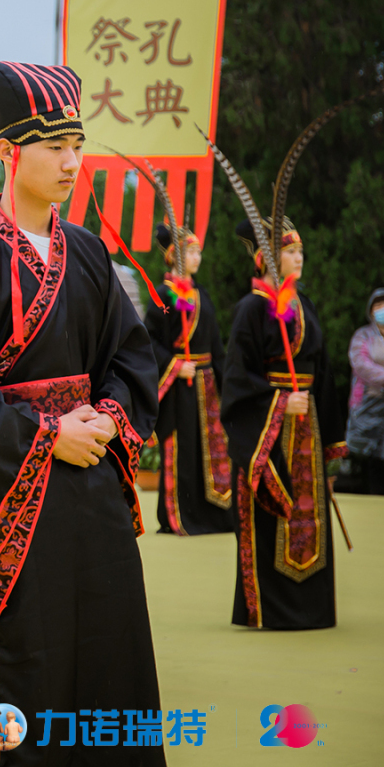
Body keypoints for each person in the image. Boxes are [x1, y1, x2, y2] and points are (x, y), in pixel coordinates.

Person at [0, 61, 166, 767]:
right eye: (52, 144)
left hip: (93, 499)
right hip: (18, 516)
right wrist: (46, 433)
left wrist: (106, 418)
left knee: (111, 671)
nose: (71, 161)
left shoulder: (87, 253)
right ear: (5, 150)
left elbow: (129, 354)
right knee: (30, 677)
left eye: (76, 142)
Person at [222, 218, 345, 629]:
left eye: (301, 252)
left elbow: (323, 373)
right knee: (274, 514)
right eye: (291, 252)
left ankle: (312, 607)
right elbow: (237, 379)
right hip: (272, 430)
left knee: (311, 512)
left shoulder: (303, 305)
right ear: (268, 260)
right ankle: (271, 609)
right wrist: (278, 402)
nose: (299, 258)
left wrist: (330, 439)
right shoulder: (250, 309)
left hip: (307, 422)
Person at [141, 224, 231, 535]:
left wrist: (225, 383)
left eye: (198, 252)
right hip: (180, 386)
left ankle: (211, 513)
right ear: (174, 256)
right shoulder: (162, 296)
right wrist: (174, 364)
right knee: (181, 448)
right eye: (191, 251)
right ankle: (178, 514)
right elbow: (147, 340)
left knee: (209, 449)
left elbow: (216, 346)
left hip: (206, 386)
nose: (197, 257)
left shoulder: (202, 295)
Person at [347, 287, 384, 493]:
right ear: (371, 311)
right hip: (370, 405)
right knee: (372, 459)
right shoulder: (363, 336)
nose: (383, 309)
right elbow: (361, 364)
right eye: (378, 305)